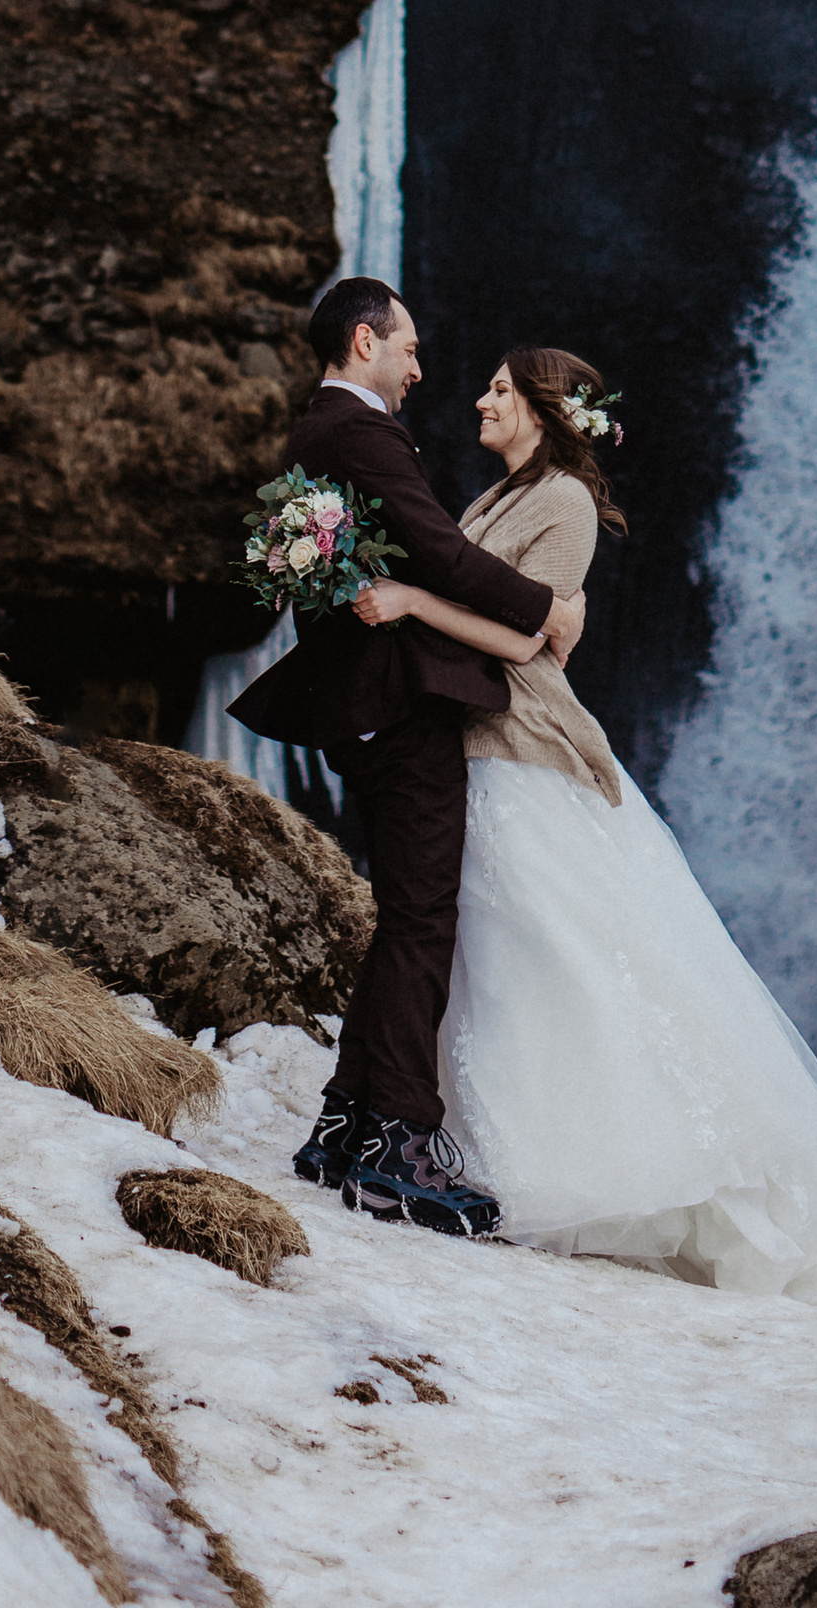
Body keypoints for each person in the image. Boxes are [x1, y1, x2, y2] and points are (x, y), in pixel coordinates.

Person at [352, 346, 817, 1301]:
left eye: (499, 387)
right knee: (497, 948)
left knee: (552, 949)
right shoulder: (494, 500)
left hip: (523, 746)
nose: (480, 400)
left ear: (542, 406)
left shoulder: (564, 501)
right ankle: (463, 1138)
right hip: (470, 742)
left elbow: (530, 636)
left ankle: (586, 1165)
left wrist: (411, 599)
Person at [231, 276, 584, 1240]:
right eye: (410, 348)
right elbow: (435, 552)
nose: (422, 368)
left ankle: (347, 1123)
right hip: (394, 700)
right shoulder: (360, 434)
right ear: (362, 342)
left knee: (405, 918)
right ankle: (399, 1145)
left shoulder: (320, 432)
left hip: (360, 705)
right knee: (425, 917)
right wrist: (545, 610)